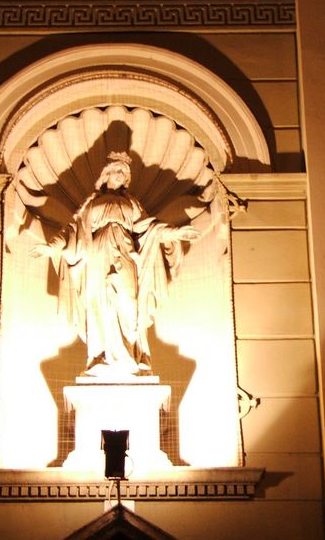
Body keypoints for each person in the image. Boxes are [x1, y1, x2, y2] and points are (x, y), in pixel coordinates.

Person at [33, 151, 200, 378]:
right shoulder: (92, 203)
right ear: (107, 173)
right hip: (96, 257)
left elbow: (150, 227)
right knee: (99, 305)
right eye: (118, 170)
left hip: (125, 255)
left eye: (126, 172)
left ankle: (130, 356)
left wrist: (176, 232)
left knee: (128, 305)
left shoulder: (130, 202)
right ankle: (100, 357)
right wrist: (51, 247)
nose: (122, 175)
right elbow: (72, 230)